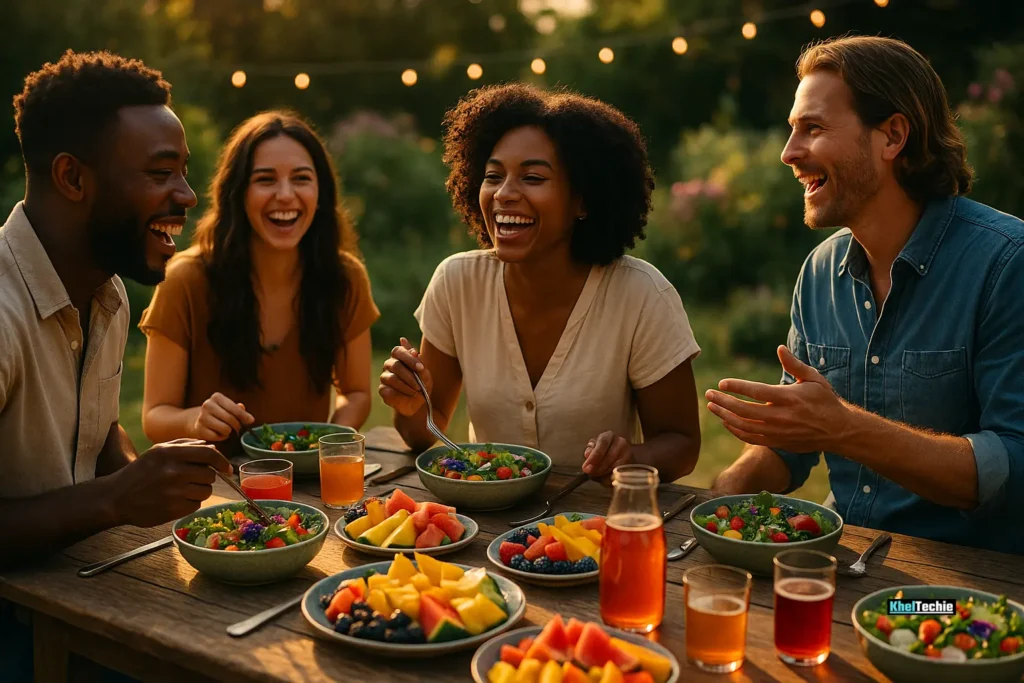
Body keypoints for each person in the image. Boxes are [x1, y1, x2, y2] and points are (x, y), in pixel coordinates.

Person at [707, 36, 1024, 554]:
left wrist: (845, 428)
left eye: (813, 129)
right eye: (793, 130)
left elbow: (1015, 468)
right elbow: (794, 445)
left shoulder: (1007, 263)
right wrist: (719, 495)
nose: (788, 153)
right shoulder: (819, 271)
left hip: (968, 586)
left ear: (892, 136)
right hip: (848, 562)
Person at [378, 83, 702, 484]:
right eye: (493, 176)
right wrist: (409, 405)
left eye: (532, 177)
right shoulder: (456, 282)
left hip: (593, 515)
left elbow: (681, 444)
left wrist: (630, 456)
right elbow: (425, 431)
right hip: (485, 513)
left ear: (582, 200)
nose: (503, 194)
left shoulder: (641, 295)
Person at [0, 49, 234, 561]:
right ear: (72, 178)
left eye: (183, 172)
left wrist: (145, 474)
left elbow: (98, 429)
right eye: (160, 173)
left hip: (87, 583)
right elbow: (109, 498)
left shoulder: (108, 292)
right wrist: (116, 499)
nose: (188, 196)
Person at [139, 111, 379, 455]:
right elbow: (155, 416)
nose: (285, 195)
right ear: (237, 192)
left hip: (305, 479)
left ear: (321, 192)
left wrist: (324, 446)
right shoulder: (184, 280)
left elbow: (355, 393)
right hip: (214, 478)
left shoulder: (345, 277)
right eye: (265, 180)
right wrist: (194, 421)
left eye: (301, 178)